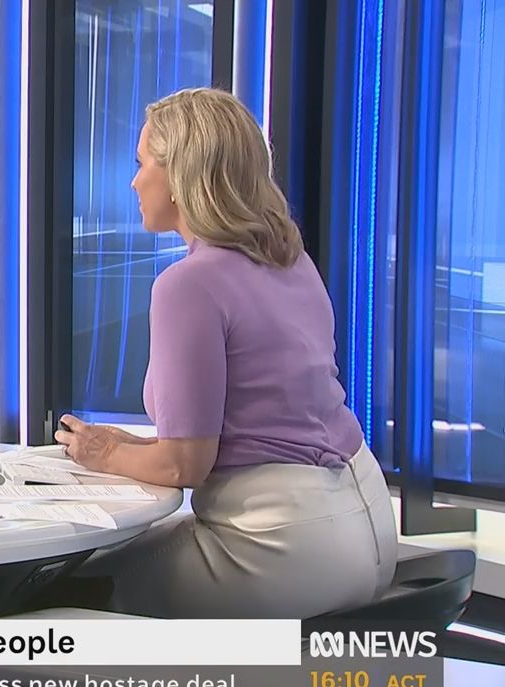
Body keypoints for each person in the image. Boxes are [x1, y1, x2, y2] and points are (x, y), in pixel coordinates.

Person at [51, 88, 397, 619]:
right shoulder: (290, 260)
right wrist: (128, 444)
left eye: (142, 164)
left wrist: (101, 455)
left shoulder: (187, 285)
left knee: (65, 587)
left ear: (181, 175)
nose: (134, 182)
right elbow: (258, 422)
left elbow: (185, 464)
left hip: (282, 549)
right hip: (366, 529)